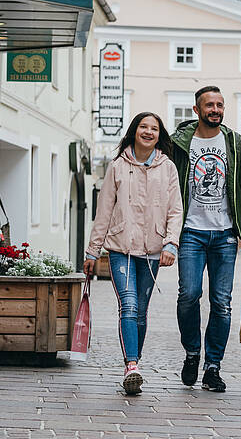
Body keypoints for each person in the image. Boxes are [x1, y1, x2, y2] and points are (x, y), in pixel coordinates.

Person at [83, 112, 183, 395]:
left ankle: (132, 366)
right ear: (134, 131)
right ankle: (132, 365)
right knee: (128, 305)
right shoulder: (117, 166)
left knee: (141, 311)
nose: (148, 132)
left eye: (154, 128)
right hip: (120, 249)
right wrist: (92, 252)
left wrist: (171, 243)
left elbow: (176, 210)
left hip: (153, 252)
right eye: (144, 127)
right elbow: (103, 212)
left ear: (159, 135)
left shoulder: (168, 168)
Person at [171, 85, 241, 393]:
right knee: (188, 295)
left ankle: (213, 366)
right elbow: (168, 187)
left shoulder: (235, 143)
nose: (216, 110)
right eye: (209, 105)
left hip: (224, 234)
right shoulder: (179, 143)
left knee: (222, 303)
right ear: (196, 110)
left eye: (220, 105)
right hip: (191, 232)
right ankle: (193, 353)